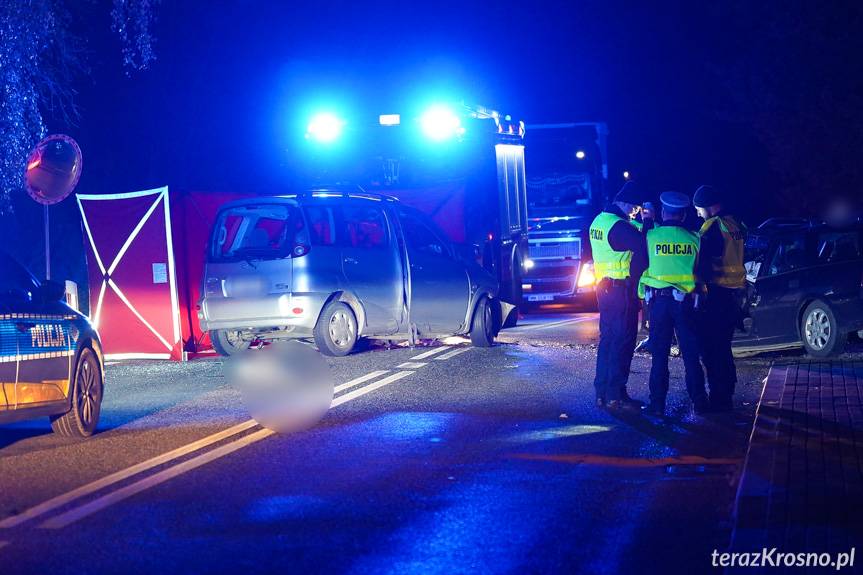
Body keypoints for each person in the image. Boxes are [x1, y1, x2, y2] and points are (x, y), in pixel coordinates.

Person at [639, 192, 709, 416]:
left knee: (659, 355)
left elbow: (641, 263)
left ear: (663, 212)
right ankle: (700, 403)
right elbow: (701, 270)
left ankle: (657, 405)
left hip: (659, 304)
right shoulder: (694, 238)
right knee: (690, 355)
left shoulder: (651, 236)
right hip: (685, 304)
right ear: (684, 215)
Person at [589, 181, 647, 411]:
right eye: (634, 208)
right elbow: (642, 250)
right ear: (624, 204)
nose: (635, 212)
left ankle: (601, 392)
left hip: (604, 289)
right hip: (621, 290)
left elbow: (630, 230)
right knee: (623, 342)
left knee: (608, 340)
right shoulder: (621, 227)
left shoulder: (600, 221)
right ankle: (616, 395)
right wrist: (635, 284)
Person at [693, 185, 747, 412]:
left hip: (715, 294)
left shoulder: (713, 228)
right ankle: (727, 392)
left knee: (711, 348)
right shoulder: (735, 223)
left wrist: (697, 287)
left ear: (708, 206)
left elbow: (704, 262)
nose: (697, 213)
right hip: (734, 294)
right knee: (723, 347)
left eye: (699, 209)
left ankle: (719, 396)